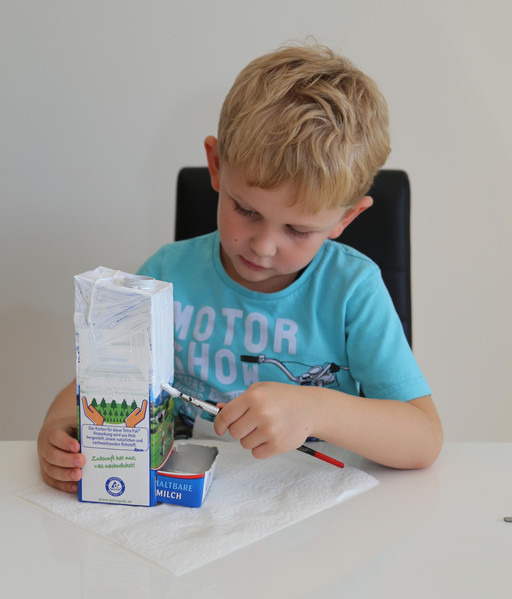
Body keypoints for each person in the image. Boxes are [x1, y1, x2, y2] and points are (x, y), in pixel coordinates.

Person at [38, 43, 443, 493]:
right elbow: (98, 385)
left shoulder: (353, 289)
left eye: (297, 229)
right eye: (246, 210)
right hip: (185, 504)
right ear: (216, 166)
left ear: (345, 219)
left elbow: (424, 438)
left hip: (311, 503)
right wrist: (60, 428)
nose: (263, 246)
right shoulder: (165, 274)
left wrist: (316, 410)